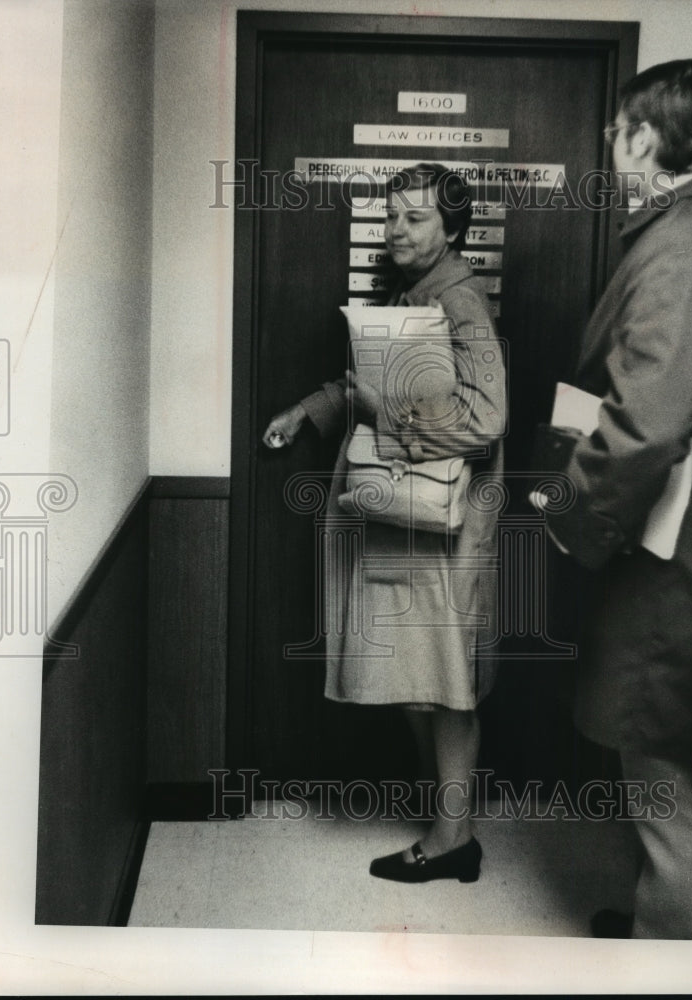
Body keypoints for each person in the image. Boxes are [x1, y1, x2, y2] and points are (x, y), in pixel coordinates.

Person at [263, 164, 506, 882]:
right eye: (391, 217)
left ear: (453, 228)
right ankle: (447, 816)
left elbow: (487, 421)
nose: (396, 231)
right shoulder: (420, 290)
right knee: (420, 676)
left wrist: (382, 415)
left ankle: (452, 835)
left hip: (443, 521)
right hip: (411, 513)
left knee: (442, 682)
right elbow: (376, 379)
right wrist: (312, 411)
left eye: (415, 219)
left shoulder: (460, 302)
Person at [534, 59, 692, 939]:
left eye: (616, 131)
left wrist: (572, 520)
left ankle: (663, 953)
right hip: (673, 549)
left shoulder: (683, 245)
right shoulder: (686, 230)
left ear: (646, 137)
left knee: (667, 787)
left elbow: (648, 423)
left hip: (670, 558)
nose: (609, 146)